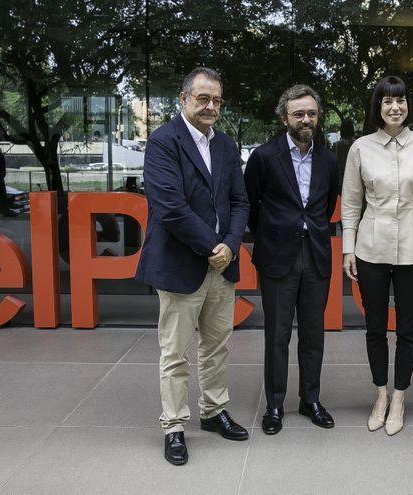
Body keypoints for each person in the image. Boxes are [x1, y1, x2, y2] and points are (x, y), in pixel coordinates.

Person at [135, 67, 251, 466]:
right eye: (203, 98)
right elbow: (170, 208)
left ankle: (214, 411)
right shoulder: (163, 142)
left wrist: (231, 246)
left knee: (217, 345)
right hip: (182, 265)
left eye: (217, 99)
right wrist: (213, 247)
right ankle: (174, 426)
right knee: (176, 352)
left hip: (222, 265)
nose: (211, 106)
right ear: (183, 99)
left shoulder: (226, 145)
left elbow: (240, 202)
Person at [341, 75, 413, 436]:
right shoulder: (361, 148)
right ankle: (380, 394)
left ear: (407, 105)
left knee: (408, 328)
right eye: (387, 101)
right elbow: (351, 203)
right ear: (378, 107)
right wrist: (348, 249)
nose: (395, 107)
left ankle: (400, 397)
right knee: (374, 328)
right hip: (370, 247)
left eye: (400, 100)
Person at [244, 84, 339, 435]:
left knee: (313, 334)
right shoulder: (264, 157)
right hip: (278, 257)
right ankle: (274, 404)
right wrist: (273, 233)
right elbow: (251, 206)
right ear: (284, 116)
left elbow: (326, 207)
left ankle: (310, 399)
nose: (306, 119)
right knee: (277, 335)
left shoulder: (329, 159)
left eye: (311, 113)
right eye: (298, 113)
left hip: (315, 255)